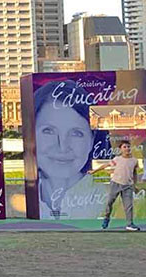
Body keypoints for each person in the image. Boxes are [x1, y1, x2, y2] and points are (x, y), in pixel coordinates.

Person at [30, 80, 98, 219]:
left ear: (92, 140)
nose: (62, 147)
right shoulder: (19, 201)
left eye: (76, 133)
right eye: (48, 131)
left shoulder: (120, 203)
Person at [94, 139, 142, 231]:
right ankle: (106, 218)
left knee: (128, 205)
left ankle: (129, 224)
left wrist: (135, 185)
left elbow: (134, 173)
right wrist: (94, 171)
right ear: (120, 149)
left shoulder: (134, 160)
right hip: (115, 183)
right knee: (110, 202)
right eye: (124, 147)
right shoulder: (117, 159)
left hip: (128, 185)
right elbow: (106, 165)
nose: (127, 149)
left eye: (128, 147)